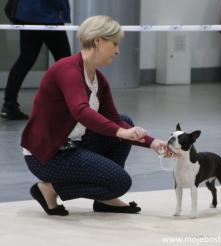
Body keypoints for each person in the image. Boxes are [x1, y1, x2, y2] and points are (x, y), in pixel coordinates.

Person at [21, 15, 173, 216]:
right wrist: (120, 131)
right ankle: (49, 188)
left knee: (124, 121)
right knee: (120, 181)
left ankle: (105, 198)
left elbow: (116, 121)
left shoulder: (97, 78)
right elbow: (80, 111)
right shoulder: (68, 70)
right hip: (49, 155)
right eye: (115, 44)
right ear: (98, 41)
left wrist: (152, 142)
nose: (117, 51)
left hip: (74, 144)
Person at [1, 0, 71, 120]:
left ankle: (9, 105)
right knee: (66, 62)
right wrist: (63, 11)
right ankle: (71, 103)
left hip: (27, 15)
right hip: (49, 17)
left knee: (25, 60)